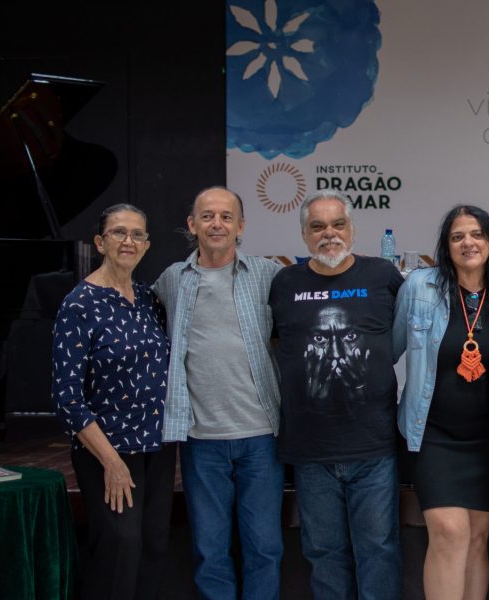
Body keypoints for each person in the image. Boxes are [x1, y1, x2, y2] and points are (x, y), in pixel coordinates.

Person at [268, 190, 405, 599]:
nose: (329, 234)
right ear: (305, 235)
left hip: (374, 446)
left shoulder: (383, 276)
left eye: (337, 224)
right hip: (312, 451)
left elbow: (405, 339)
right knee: (323, 552)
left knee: (378, 551)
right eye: (318, 226)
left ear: (352, 229)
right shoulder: (284, 284)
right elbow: (275, 346)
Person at [152, 186, 284, 600]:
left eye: (226, 217)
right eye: (207, 216)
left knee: (265, 547)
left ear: (241, 226)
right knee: (210, 551)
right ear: (192, 225)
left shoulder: (267, 274)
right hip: (201, 439)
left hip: (261, 436)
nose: (217, 224)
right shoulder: (172, 279)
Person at [392, 205, 489, 600]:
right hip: (433, 436)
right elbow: (388, 350)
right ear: (446, 247)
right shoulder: (419, 287)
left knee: (479, 538)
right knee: (450, 533)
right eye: (457, 236)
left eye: (477, 234)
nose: (468, 242)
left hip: (488, 440)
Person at [51, 204, 175, 600]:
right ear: (100, 242)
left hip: (157, 449)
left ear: (147, 244)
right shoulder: (79, 304)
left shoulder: (148, 299)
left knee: (153, 548)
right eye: (119, 232)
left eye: (138, 234)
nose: (129, 241)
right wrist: (111, 462)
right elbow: (66, 397)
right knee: (119, 549)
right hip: (107, 452)